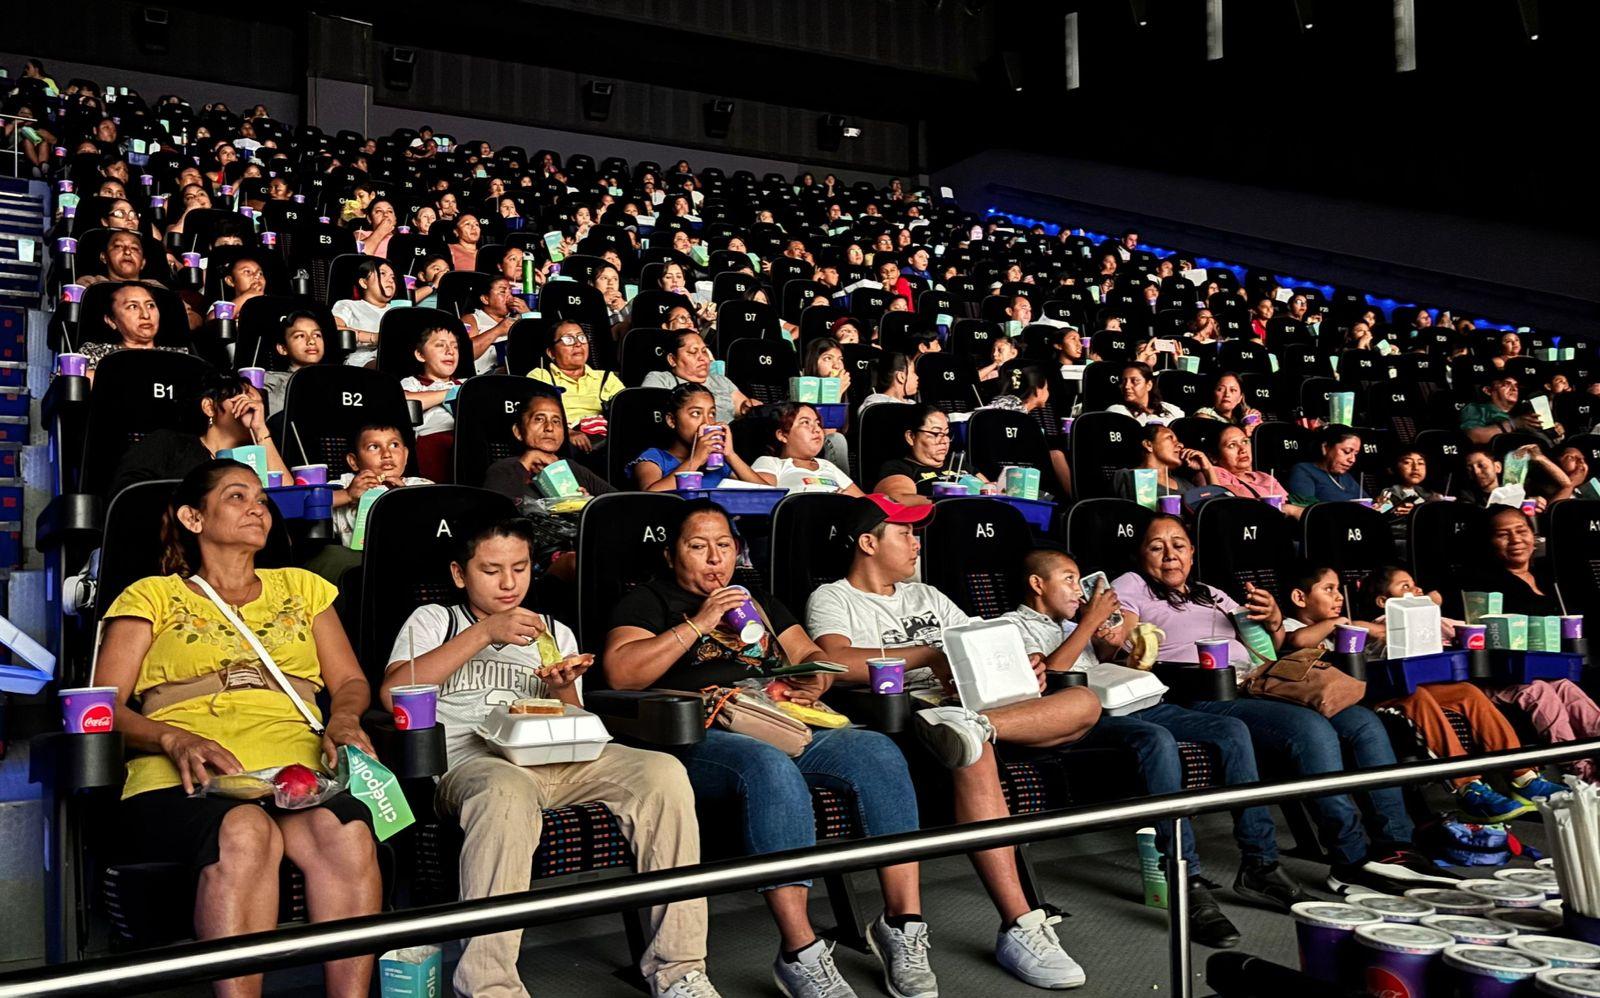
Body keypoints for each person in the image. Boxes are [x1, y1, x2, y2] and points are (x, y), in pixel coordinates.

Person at [604, 500, 938, 998]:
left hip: (783, 718)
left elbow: (809, 654)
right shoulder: (649, 601)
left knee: (876, 752)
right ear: (674, 555)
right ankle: (800, 951)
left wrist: (815, 678)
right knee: (768, 768)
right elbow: (622, 674)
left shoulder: (757, 600)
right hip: (702, 733)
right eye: (698, 547)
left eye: (724, 546)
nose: (714, 558)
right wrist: (699, 622)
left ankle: (902, 923)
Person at [386, 518, 721, 998]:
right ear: (461, 574)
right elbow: (395, 690)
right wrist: (485, 633)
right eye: (492, 570)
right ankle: (488, 986)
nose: (508, 583)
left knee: (662, 773)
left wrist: (563, 687)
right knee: (505, 792)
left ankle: (678, 969)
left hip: (562, 758)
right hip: (476, 762)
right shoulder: (435, 621)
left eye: (519, 569)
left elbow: (576, 719)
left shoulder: (552, 631)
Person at [97, 460, 382, 997]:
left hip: (296, 771)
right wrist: (171, 737)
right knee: (246, 830)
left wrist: (342, 717)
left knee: (344, 833)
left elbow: (349, 681)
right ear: (193, 517)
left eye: (261, 498)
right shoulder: (150, 596)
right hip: (187, 776)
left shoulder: (303, 588)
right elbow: (102, 707)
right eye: (236, 496)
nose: (258, 507)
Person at [805, 496, 1097, 987]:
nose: (917, 544)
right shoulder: (834, 597)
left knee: (1084, 704)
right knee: (974, 754)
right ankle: (1020, 924)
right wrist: (928, 655)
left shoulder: (929, 596)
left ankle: (978, 728)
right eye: (905, 534)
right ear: (869, 543)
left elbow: (981, 639)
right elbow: (834, 660)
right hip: (906, 714)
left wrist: (1023, 659)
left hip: (972, 707)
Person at [1101, 515, 1451, 895]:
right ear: (1141, 555)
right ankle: (1349, 859)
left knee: (1363, 723)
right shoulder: (1132, 585)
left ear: (1192, 552)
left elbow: (1272, 640)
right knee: (1311, 729)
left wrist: (1270, 619)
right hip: (1201, 693)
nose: (1170, 554)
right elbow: (1123, 641)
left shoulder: (1211, 593)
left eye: (1179, 545)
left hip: (1259, 681)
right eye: (1157, 547)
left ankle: (1393, 848)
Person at [1001, 547, 1306, 948]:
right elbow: (1048, 680)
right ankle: (1187, 879)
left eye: (1080, 579)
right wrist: (1088, 623)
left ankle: (1260, 864)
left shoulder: (1074, 622)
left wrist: (1119, 647)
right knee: (1156, 741)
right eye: (1069, 579)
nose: (1080, 589)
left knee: (1231, 730)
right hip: (1083, 719)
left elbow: (1103, 664)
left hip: (1134, 701)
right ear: (1038, 584)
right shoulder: (1008, 627)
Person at [1285, 564, 1565, 821]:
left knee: (1466, 692)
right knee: (1417, 698)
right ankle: (1468, 786)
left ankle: (1524, 776)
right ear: (1300, 598)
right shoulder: (1293, 626)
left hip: (1387, 684)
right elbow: (1298, 640)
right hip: (1365, 699)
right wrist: (1342, 623)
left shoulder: (1341, 628)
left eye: (1338, 590)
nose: (1338, 597)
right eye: (1328, 590)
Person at [1371, 556, 1600, 783]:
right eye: (1405, 587)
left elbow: (1469, 632)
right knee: (1538, 690)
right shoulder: (1389, 622)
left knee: (1563, 685)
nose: (1417, 589)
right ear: (1384, 601)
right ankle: (1576, 766)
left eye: (1414, 583)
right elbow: (1368, 629)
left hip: (1495, 673)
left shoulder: (1438, 617)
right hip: (1474, 684)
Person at [109, 371, 290, 499]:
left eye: (258, 404)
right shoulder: (170, 443)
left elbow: (288, 496)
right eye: (242, 398)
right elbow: (126, 493)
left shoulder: (257, 455)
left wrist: (261, 431)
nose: (253, 407)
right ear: (209, 407)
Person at [482, 393, 613, 504]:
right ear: (518, 431)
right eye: (539, 419)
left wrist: (589, 502)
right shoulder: (503, 469)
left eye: (556, 421)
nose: (549, 427)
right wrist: (526, 462)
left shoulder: (572, 468)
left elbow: (621, 502)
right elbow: (496, 516)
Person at [632, 383, 765, 492]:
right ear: (672, 420)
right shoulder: (654, 458)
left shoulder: (718, 464)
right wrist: (696, 459)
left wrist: (730, 455)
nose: (707, 422)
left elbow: (768, 494)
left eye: (712, 413)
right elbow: (650, 497)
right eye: (696, 413)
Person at [330, 423, 431, 546]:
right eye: (374, 447)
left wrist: (406, 497)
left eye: (394, 445)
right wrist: (347, 495)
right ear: (354, 461)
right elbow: (308, 502)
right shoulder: (346, 484)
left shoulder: (419, 485)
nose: (387, 454)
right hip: (356, 559)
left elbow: (436, 520)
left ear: (405, 456)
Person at [526, 320, 622, 450]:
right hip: (561, 442)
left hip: (606, 441)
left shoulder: (606, 378)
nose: (578, 344)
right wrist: (568, 432)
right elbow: (535, 418)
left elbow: (625, 413)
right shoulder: (541, 376)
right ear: (551, 352)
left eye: (582, 338)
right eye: (568, 340)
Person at [872, 404, 983, 501]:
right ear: (911, 437)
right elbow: (898, 499)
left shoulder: (958, 464)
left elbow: (990, 489)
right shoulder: (900, 468)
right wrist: (949, 502)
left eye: (947, 434)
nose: (945, 441)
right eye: (936, 433)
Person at [81, 283, 190, 377]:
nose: (146, 315)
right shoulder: (94, 354)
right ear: (111, 320)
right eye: (133, 306)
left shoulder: (182, 356)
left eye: (150, 305)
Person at [752, 402, 863, 495]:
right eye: (805, 422)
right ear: (782, 435)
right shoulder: (772, 463)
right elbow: (766, 496)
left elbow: (867, 503)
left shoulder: (827, 466)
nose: (817, 429)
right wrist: (733, 456)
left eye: (818, 423)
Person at [400, 324, 463, 482]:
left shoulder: (466, 383)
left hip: (464, 440)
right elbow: (404, 401)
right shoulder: (412, 383)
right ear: (421, 355)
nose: (450, 351)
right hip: (430, 442)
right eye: (440, 345)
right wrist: (450, 393)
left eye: (455, 346)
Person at [1204, 425, 1296, 514]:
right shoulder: (1217, 473)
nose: (1243, 449)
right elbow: (1223, 504)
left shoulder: (1264, 476)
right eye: (1232, 445)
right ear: (1213, 457)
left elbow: (1288, 503)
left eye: (1245, 441)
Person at [1461, 372, 1562, 446]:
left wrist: (1556, 433)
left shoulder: (1524, 412)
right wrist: (1513, 424)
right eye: (1506, 384)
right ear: (1487, 390)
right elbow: (1471, 436)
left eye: (1516, 386)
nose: (1514, 389)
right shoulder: (1477, 408)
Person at [332, 258, 397, 368]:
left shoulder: (397, 309)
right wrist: (375, 338)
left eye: (392, 277)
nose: (390, 280)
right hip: (363, 360)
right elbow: (334, 328)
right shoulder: (348, 305)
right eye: (382, 274)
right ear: (363, 282)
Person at [1122, 423, 1214, 500]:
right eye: (1170, 438)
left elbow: (1217, 508)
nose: (1181, 445)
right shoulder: (1127, 476)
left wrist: (1208, 469)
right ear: (1148, 445)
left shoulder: (1184, 484)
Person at [260, 310, 327, 414]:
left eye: (317, 335)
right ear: (283, 348)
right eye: (300, 336)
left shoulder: (335, 380)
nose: (312, 341)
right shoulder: (269, 381)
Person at [461, 275, 530, 375]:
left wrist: (527, 315)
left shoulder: (518, 319)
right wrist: (498, 330)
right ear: (485, 299)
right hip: (485, 376)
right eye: (503, 292)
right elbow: (465, 354)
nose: (510, 297)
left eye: (511, 292)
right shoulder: (473, 319)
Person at [800, 337, 852, 467]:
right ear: (813, 362)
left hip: (828, 461)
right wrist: (835, 393)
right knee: (837, 440)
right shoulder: (802, 390)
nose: (836, 365)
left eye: (840, 359)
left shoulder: (847, 392)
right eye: (828, 358)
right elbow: (828, 438)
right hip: (807, 455)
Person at [1287, 428, 1365, 504]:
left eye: (1356, 454)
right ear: (1325, 447)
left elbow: (1366, 501)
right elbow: (1305, 511)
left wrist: (1375, 504)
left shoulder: (1345, 477)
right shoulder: (1304, 471)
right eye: (1346, 451)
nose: (1352, 459)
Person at [1106, 362, 1185, 424]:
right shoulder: (1117, 410)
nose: (1126, 386)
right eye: (1123, 381)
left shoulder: (1169, 408)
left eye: (1135, 381)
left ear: (1149, 385)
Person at [1192, 373, 1261, 433]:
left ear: (1240, 398)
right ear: (1213, 394)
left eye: (1233, 390)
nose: (1227, 394)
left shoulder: (1240, 417)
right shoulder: (1204, 416)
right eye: (1220, 389)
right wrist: (1243, 431)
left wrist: (1256, 426)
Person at [81, 230, 148, 286]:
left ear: (143, 262)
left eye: (134, 248)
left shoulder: (155, 289)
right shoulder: (90, 285)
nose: (127, 252)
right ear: (104, 257)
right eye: (118, 246)